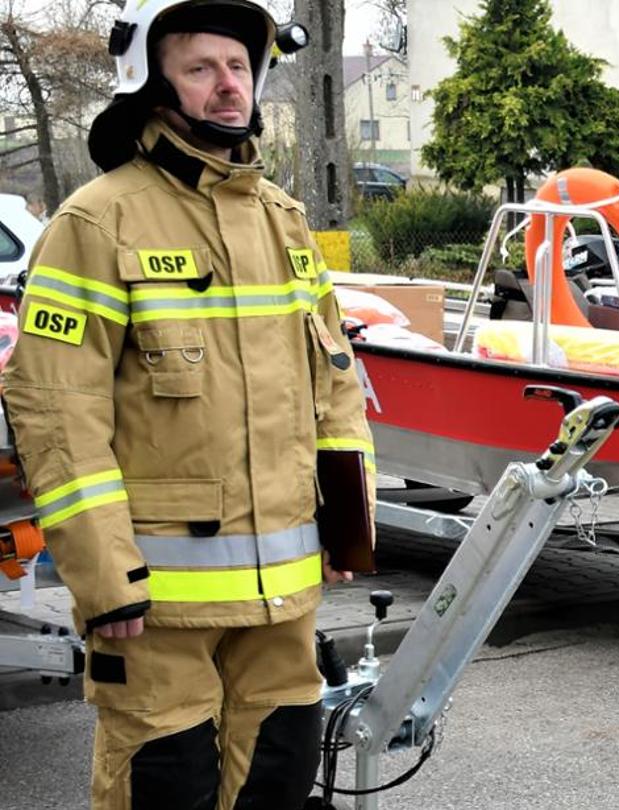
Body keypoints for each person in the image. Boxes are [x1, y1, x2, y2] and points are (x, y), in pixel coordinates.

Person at [1, 1, 373, 806]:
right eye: (201, 68)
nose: (227, 85)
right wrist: (106, 581)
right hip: (156, 602)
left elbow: (335, 382)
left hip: (283, 598)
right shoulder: (97, 221)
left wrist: (348, 525)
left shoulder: (284, 222)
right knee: (167, 787)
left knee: (279, 776)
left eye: (238, 67)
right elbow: (56, 409)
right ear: (150, 82)